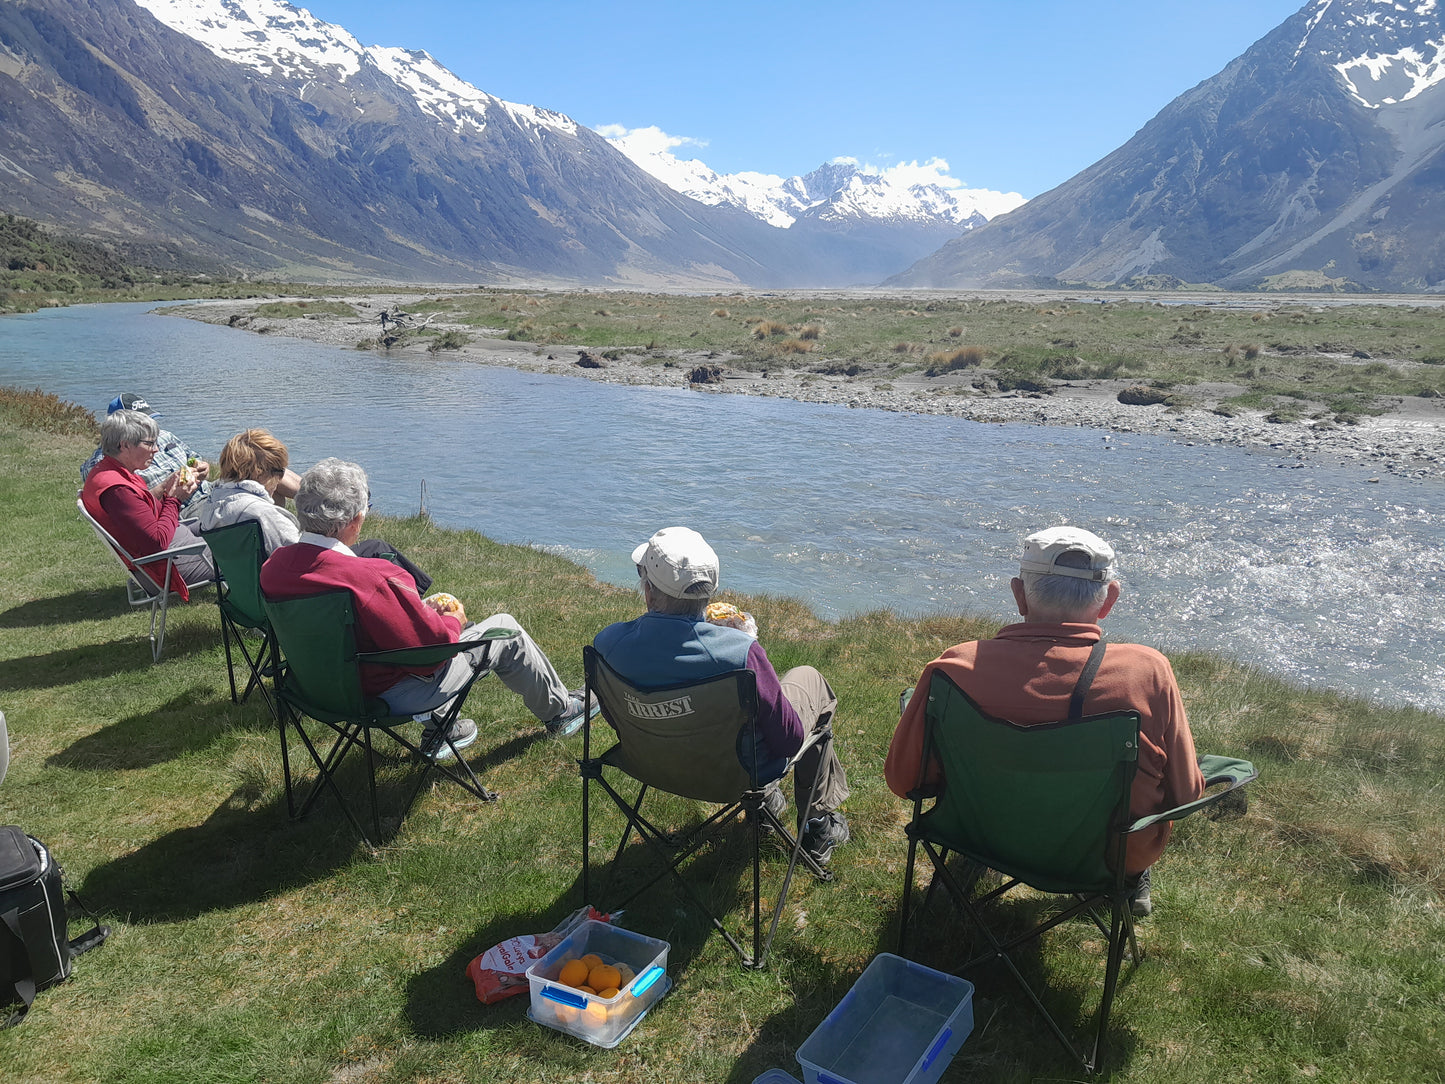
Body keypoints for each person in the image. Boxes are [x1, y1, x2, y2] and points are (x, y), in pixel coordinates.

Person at [884, 526, 1204, 917]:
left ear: (1019, 594)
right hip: (1103, 858)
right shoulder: (1147, 672)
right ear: (1109, 601)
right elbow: (1185, 795)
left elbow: (905, 781)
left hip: (976, 834)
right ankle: (1128, 885)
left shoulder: (955, 668)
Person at [259, 458, 592, 759]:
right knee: (504, 630)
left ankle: (446, 729)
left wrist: (416, 611)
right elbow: (433, 652)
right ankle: (561, 713)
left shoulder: (273, 568)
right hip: (381, 695)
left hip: (316, 689)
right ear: (355, 520)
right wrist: (452, 620)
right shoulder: (372, 576)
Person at [593, 527, 851, 866]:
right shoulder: (740, 653)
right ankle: (817, 824)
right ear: (708, 593)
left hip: (649, 764)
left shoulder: (608, 645)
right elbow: (789, 741)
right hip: (738, 775)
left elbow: (616, 721)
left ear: (650, 593)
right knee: (808, 678)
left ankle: (773, 806)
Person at [196, 429, 432, 591]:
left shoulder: (213, 505)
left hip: (246, 598)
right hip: (298, 593)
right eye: (278, 471)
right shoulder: (262, 515)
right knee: (377, 548)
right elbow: (303, 557)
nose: (280, 478)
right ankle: (419, 603)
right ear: (258, 473)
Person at [81, 408, 216, 593]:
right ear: (125, 445)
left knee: (233, 528)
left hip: (175, 545)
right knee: (248, 549)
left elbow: (142, 509)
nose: (156, 449)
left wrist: (168, 485)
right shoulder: (117, 490)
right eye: (150, 444)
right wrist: (174, 499)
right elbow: (157, 543)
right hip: (169, 566)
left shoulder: (111, 472)